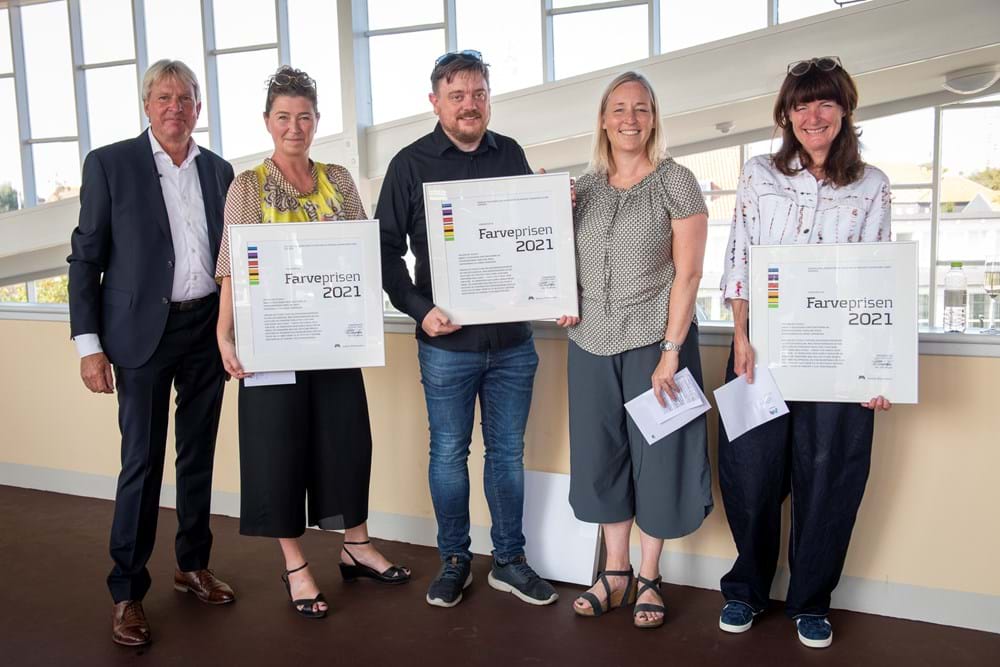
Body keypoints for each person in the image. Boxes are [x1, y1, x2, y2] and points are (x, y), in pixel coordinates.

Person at [215, 66, 409, 619]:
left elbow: (361, 251)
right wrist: (223, 333)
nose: (294, 127)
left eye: (304, 117)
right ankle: (295, 564)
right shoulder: (247, 186)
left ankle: (356, 545)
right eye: (284, 117)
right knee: (277, 447)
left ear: (317, 121)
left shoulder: (339, 180)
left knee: (347, 440)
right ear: (267, 122)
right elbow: (232, 265)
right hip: (271, 341)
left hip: (333, 339)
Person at [717, 56, 893, 649]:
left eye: (825, 103)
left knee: (829, 478)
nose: (812, 116)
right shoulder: (759, 174)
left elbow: (878, 277)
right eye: (800, 105)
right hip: (760, 352)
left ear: (845, 109)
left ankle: (811, 600)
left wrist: (878, 369)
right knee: (751, 474)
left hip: (839, 360)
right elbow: (740, 257)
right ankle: (746, 589)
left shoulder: (872, 186)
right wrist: (740, 336)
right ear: (786, 115)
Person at [376, 50, 557, 609]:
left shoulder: (512, 154)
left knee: (506, 455)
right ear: (435, 103)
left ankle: (509, 561)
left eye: (478, 93)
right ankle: (454, 559)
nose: (469, 105)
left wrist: (554, 209)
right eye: (457, 96)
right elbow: (384, 252)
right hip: (446, 344)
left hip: (512, 344)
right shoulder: (408, 164)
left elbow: (529, 239)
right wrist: (418, 308)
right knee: (449, 455)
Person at [68, 59, 236, 647]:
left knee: (198, 454)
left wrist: (236, 330)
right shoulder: (109, 164)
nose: (174, 108)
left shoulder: (219, 170)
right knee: (141, 460)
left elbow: (234, 257)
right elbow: (86, 259)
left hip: (205, 330)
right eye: (163, 97)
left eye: (185, 98)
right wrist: (89, 346)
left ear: (198, 108)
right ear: (147, 105)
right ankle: (127, 591)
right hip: (140, 334)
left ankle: (193, 565)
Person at [559, 71, 713, 629]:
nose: (630, 118)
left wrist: (672, 351)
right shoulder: (583, 189)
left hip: (656, 344)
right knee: (601, 457)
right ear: (603, 119)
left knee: (661, 458)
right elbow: (558, 264)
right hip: (590, 342)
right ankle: (614, 572)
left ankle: (650, 575)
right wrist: (559, 295)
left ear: (653, 118)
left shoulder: (677, 181)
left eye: (641, 108)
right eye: (619, 109)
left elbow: (689, 274)